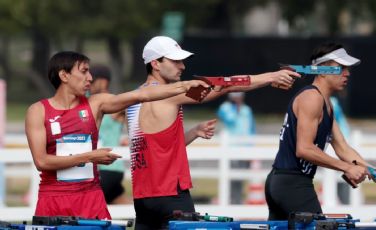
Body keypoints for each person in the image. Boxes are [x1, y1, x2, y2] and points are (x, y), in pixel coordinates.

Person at [128, 35, 300, 229]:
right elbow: (226, 86)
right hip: (171, 197)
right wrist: (271, 76)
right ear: (155, 64)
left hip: (143, 199)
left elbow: (158, 149)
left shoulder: (134, 100)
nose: (182, 66)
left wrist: (193, 132)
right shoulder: (172, 95)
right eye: (175, 61)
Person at [24, 51, 210, 219]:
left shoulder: (96, 103)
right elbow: (42, 161)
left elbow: (141, 95)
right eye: (84, 71)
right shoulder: (38, 111)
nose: (90, 77)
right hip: (53, 198)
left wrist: (184, 86)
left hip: (91, 199)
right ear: (64, 75)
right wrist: (89, 157)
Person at [265, 42, 376, 221]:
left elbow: (343, 148)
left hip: (285, 182)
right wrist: (347, 167)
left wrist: (373, 171)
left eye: (347, 68)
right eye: (341, 68)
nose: (347, 73)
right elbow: (304, 149)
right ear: (323, 70)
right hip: (292, 184)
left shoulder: (327, 104)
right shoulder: (312, 98)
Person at [89, 65, 130, 204]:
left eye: (92, 81)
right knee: (125, 205)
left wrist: (132, 138)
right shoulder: (88, 101)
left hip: (110, 167)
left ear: (103, 81)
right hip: (93, 165)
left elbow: (139, 118)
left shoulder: (115, 103)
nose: (89, 83)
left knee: (88, 204)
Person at [217, 92, 255, 204]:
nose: (238, 99)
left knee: (240, 177)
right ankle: (231, 200)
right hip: (231, 148)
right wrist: (235, 108)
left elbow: (251, 129)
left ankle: (237, 201)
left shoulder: (247, 110)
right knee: (231, 177)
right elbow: (229, 121)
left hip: (245, 148)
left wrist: (251, 148)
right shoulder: (224, 108)